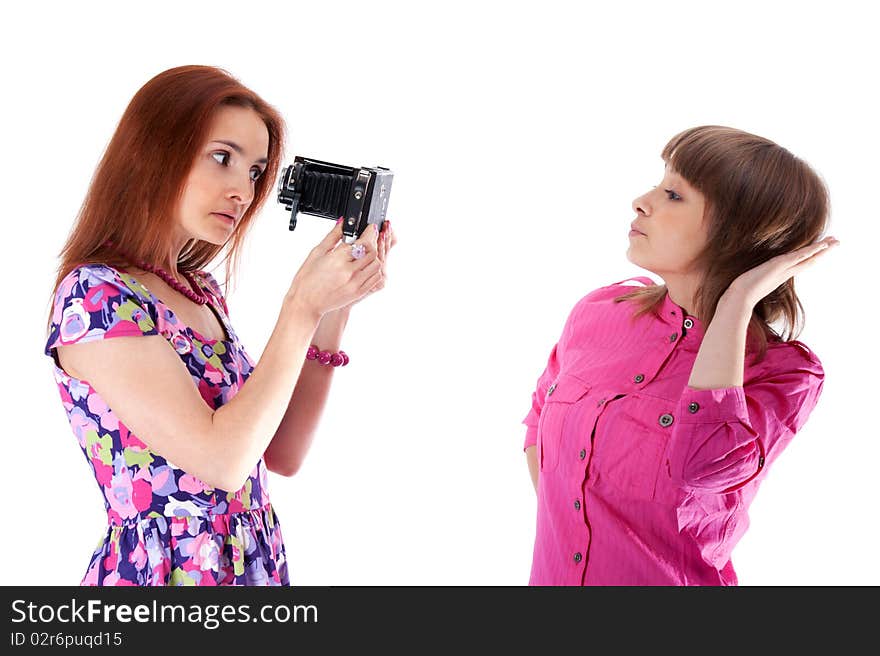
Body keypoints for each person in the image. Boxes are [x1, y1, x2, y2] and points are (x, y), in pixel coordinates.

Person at [43, 65, 397, 586]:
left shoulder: (199, 290)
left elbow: (281, 452)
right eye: (222, 157)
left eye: (254, 172)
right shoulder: (95, 298)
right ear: (155, 151)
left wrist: (331, 309)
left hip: (251, 566)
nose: (242, 191)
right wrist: (299, 305)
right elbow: (221, 459)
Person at [522, 125, 838, 585]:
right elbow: (539, 431)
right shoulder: (600, 312)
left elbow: (704, 468)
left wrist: (735, 304)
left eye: (673, 194)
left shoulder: (784, 371)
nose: (642, 201)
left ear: (737, 233)